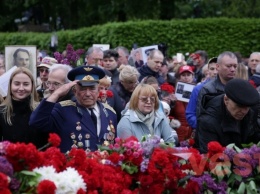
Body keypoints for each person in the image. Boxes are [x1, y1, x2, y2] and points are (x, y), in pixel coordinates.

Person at [30, 65, 117, 153]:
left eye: (92, 89)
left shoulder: (110, 113)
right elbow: (36, 122)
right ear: (75, 91)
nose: (87, 94)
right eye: (82, 89)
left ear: (98, 90)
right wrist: (56, 94)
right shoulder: (63, 110)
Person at [197, 79, 260, 153]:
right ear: (226, 100)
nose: (244, 111)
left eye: (247, 107)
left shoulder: (251, 111)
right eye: (239, 106)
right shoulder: (208, 121)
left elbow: (254, 136)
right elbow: (210, 156)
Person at [0, 67, 48, 148]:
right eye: (17, 84)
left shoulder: (40, 110)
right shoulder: (2, 112)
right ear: (10, 85)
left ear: (32, 86)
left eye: (26, 84)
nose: (21, 88)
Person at [185, 57, 218, 129]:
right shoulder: (198, 89)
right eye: (212, 69)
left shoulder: (228, 87)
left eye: (217, 69)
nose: (215, 72)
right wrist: (202, 127)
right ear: (208, 71)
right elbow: (190, 114)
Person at [170, 65, 194, 142]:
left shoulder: (198, 92)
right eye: (183, 75)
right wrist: (172, 104)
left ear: (192, 77)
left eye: (188, 75)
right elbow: (168, 115)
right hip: (178, 135)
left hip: (193, 135)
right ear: (180, 77)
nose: (186, 77)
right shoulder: (174, 95)